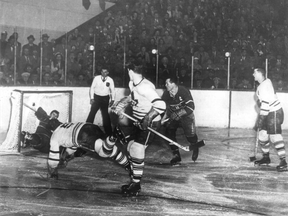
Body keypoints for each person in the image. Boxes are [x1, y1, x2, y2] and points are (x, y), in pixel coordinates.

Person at [111, 63, 166, 196]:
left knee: (136, 149)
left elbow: (161, 105)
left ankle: (135, 184)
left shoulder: (145, 87)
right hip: (138, 121)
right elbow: (132, 98)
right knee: (130, 147)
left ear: (130, 71)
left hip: (149, 124)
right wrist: (122, 103)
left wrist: (147, 118)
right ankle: (135, 176)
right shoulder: (133, 84)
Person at [47, 121, 131, 180]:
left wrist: (53, 171)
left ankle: (113, 137)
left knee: (103, 153)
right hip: (91, 126)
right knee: (111, 150)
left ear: (51, 130)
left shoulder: (54, 135)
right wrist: (66, 157)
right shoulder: (65, 125)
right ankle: (128, 165)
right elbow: (71, 146)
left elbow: (53, 157)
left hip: (82, 134)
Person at [161, 76, 205, 166]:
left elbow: (191, 107)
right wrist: (162, 120)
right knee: (169, 133)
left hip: (186, 115)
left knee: (190, 136)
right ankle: (176, 155)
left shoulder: (183, 91)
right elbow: (165, 109)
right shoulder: (166, 94)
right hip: (173, 116)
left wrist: (179, 113)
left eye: (167, 83)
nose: (165, 85)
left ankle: (195, 145)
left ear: (173, 84)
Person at [253, 68, 287, 172]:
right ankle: (266, 157)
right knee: (262, 135)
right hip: (268, 112)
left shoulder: (264, 86)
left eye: (254, 73)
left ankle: (284, 162)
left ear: (259, 73)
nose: (253, 74)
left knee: (274, 136)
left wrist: (260, 120)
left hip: (274, 112)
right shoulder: (265, 82)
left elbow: (266, 105)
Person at [86, 67, 115, 136]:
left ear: (108, 73)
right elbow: (92, 88)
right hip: (96, 98)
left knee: (105, 115)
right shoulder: (96, 78)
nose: (103, 73)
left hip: (105, 98)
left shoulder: (110, 80)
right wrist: (92, 98)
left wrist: (113, 99)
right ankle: (86, 130)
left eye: (105, 72)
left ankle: (109, 133)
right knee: (92, 113)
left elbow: (112, 90)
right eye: (102, 72)